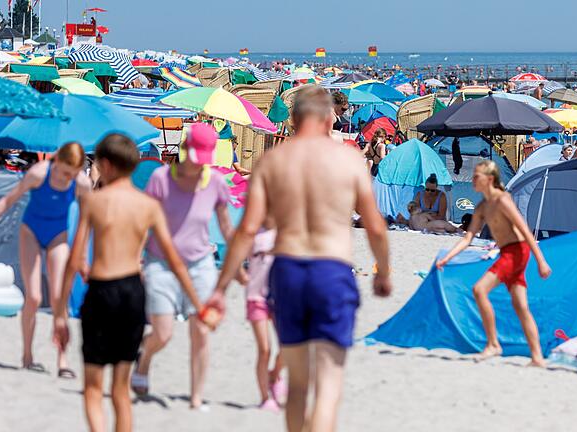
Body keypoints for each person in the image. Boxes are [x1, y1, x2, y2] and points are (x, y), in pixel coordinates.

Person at [204, 86, 392, 432]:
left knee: (298, 384)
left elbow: (246, 231)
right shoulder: (348, 159)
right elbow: (376, 226)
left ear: (292, 119)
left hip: (286, 270)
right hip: (331, 270)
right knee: (328, 385)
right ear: (328, 117)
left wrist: (220, 287)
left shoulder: (273, 161)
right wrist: (384, 272)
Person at [52, 134, 212, 432]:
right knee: (121, 393)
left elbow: (74, 261)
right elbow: (174, 260)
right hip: (133, 293)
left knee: (93, 388)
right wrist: (199, 304)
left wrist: (60, 314)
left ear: (106, 165)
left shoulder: (93, 201)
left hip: (101, 291)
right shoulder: (148, 206)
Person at [131, 123, 233, 410]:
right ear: (184, 149)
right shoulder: (162, 178)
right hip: (160, 263)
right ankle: (145, 361)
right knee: (163, 332)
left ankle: (196, 397)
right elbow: (144, 222)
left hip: (201, 264)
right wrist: (136, 259)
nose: (198, 165)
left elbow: (226, 228)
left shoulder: (215, 182)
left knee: (201, 331)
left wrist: (240, 265)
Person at [0, 143, 91, 377]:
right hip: (30, 231)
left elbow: (87, 217)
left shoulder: (81, 182)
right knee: (34, 296)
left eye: (72, 174)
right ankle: (27, 355)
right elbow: (8, 200)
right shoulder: (39, 173)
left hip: (58, 235)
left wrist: (81, 252)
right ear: (56, 162)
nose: (66, 178)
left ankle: (62, 359)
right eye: (64, 172)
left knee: (59, 296)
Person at [436, 160, 551, 365]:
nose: (472, 180)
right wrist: (447, 257)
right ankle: (537, 357)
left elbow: (525, 231)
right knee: (521, 306)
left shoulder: (502, 200)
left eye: (476, 176)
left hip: (517, 252)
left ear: (489, 179)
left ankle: (493, 345)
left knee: (480, 290)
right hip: (507, 251)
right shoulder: (481, 207)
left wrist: (541, 261)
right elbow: (468, 238)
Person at [245, 227, 285, 411]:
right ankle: (264, 398)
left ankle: (274, 375)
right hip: (256, 297)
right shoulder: (251, 231)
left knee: (287, 347)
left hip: (281, 297)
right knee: (264, 350)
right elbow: (236, 253)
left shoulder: (285, 230)